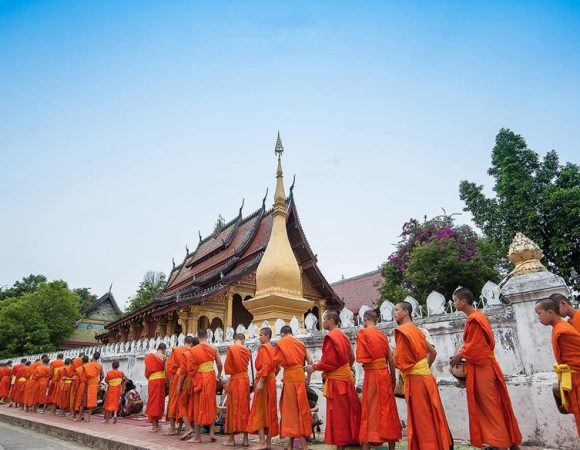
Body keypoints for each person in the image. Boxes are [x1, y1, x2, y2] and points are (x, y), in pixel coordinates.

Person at [450, 288, 522, 450]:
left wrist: (459, 355)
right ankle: (507, 442)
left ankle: (500, 443)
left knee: (491, 407)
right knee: (493, 405)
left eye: (455, 300)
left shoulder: (475, 318)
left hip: (483, 368)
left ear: (463, 301)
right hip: (483, 366)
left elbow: (478, 347)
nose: (454, 303)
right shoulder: (475, 318)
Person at [394, 301, 452, 450]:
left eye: (397, 309)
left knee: (422, 419)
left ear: (406, 312)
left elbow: (400, 361)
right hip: (426, 378)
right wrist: (423, 368)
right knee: (432, 415)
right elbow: (433, 352)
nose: (394, 313)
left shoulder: (402, 331)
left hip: (417, 381)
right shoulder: (418, 331)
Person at [305, 310, 361, 450]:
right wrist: (345, 369)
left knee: (338, 414)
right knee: (350, 410)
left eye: (323, 319)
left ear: (330, 320)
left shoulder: (331, 337)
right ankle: (354, 439)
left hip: (337, 382)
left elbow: (329, 362)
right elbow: (352, 357)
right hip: (346, 378)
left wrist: (314, 367)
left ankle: (340, 445)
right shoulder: (344, 336)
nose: (322, 322)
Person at [356, 310, 401, 450]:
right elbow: (391, 359)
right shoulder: (382, 336)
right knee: (389, 410)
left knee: (370, 411)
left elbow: (362, 358)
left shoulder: (363, 334)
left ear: (365, 319)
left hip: (371, 376)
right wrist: (393, 378)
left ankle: (367, 447)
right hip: (385, 375)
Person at [535, 298, 580, 436]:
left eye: (539, 313)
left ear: (550, 312)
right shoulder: (558, 328)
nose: (538, 318)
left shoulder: (563, 330)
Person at [275, 325, 313, 450]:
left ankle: (304, 445)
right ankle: (290, 444)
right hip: (300, 378)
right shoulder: (301, 343)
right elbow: (310, 361)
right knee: (300, 410)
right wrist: (308, 379)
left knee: (293, 412)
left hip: (290, 379)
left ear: (282, 333)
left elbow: (276, 364)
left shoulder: (281, 342)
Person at [188, 328, 222, 443]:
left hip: (200, 378)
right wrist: (219, 374)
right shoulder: (213, 347)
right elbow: (220, 364)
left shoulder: (194, 349)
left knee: (198, 404)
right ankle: (211, 433)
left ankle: (198, 437)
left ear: (197, 337)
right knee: (211, 403)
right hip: (211, 377)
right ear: (207, 336)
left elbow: (191, 368)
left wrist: (194, 375)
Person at [246, 327, 279, 450]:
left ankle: (262, 442)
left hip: (264, 382)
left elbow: (265, 366)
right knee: (270, 410)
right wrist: (270, 377)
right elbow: (277, 367)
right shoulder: (273, 349)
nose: (259, 337)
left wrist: (261, 382)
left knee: (259, 410)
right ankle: (268, 443)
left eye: (261, 335)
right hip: (271, 381)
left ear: (267, 336)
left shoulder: (264, 348)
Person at [224, 333, 251, 447]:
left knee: (232, 408)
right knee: (245, 409)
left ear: (234, 339)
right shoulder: (247, 351)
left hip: (235, 382)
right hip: (244, 382)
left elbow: (228, 369)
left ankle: (231, 439)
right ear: (243, 340)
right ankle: (245, 439)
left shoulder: (232, 349)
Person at [175, 336, 199, 440]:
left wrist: (179, 385)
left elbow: (183, 371)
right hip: (198, 381)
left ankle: (188, 428)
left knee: (181, 404)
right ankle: (194, 430)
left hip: (188, 381)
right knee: (193, 405)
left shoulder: (188, 354)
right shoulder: (200, 354)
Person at [165, 339, 190, 436]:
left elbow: (169, 368)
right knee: (183, 403)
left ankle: (172, 428)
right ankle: (179, 428)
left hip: (177, 378)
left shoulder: (177, 350)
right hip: (187, 378)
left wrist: (169, 379)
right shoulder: (192, 351)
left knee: (173, 402)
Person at [145, 343, 167, 432]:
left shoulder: (149, 357)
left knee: (153, 401)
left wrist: (150, 376)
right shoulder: (164, 357)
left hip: (153, 381)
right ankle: (156, 424)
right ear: (164, 349)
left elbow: (146, 372)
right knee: (159, 402)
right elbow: (166, 370)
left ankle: (155, 426)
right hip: (161, 381)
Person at [78, 352, 104, 422]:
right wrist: (99, 382)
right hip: (94, 383)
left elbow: (81, 374)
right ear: (98, 358)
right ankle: (88, 417)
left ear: (92, 356)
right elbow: (102, 376)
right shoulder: (99, 366)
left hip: (87, 383)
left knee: (84, 401)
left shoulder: (87, 365)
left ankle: (80, 417)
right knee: (92, 401)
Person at [72, 355, 89, 421]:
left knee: (79, 401)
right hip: (88, 385)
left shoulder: (80, 369)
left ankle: (77, 417)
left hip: (81, 385)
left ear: (82, 361)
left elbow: (75, 378)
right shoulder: (90, 367)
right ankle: (82, 416)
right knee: (84, 401)